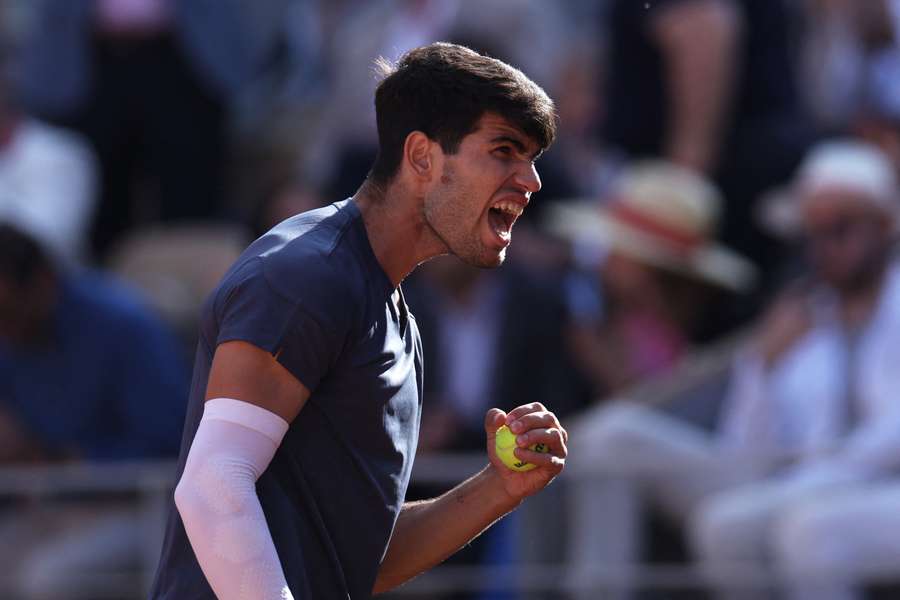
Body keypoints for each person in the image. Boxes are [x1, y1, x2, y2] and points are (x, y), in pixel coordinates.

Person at [150, 42, 569, 600]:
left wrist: (498, 488)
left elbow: (359, 561)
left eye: (532, 157)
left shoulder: (395, 314)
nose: (531, 180)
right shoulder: (303, 276)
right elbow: (212, 487)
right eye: (505, 150)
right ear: (421, 157)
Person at [565, 140, 900, 599]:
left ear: (884, 226)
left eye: (840, 229)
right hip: (787, 481)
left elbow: (889, 440)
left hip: (867, 488)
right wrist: (762, 367)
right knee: (610, 436)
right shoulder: (801, 313)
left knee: (791, 530)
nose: (824, 247)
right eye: (813, 233)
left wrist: (813, 479)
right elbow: (745, 443)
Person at [0, 223, 187, 597]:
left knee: (46, 578)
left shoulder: (124, 326)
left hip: (140, 507)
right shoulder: (10, 336)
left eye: (8, 311)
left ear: (42, 281)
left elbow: (171, 442)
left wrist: (72, 462)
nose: (5, 329)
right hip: (49, 503)